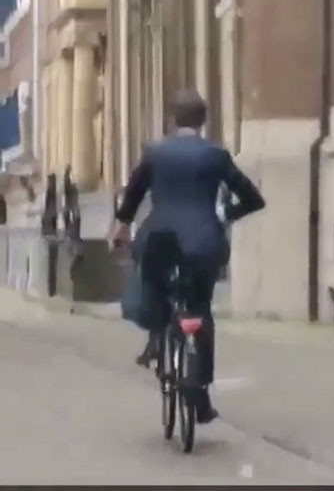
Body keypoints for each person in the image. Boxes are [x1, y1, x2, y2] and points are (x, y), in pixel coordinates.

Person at [108, 89, 265, 423]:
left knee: (152, 278)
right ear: (203, 120)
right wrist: (225, 216)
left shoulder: (154, 152)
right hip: (203, 241)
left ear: (173, 119)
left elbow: (134, 194)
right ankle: (200, 394)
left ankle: (155, 335)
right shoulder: (216, 155)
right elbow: (253, 198)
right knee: (200, 309)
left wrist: (121, 227)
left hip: (159, 238)